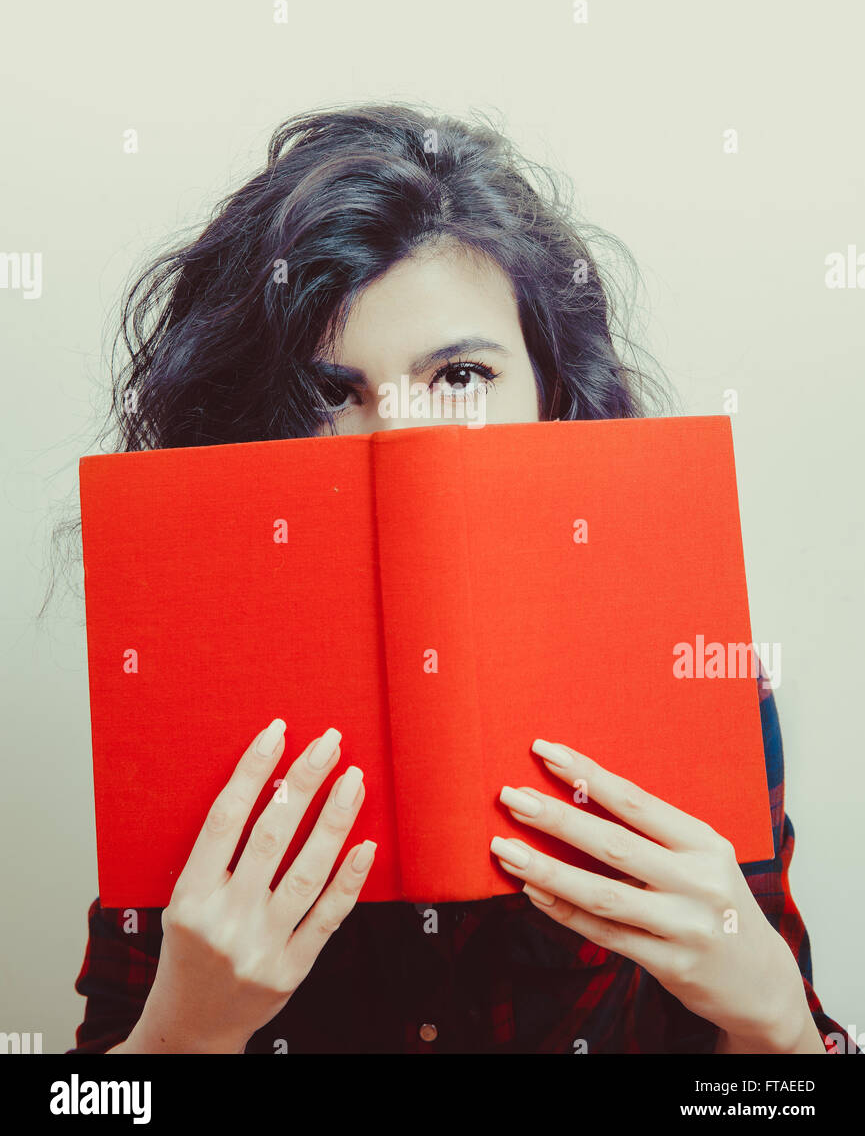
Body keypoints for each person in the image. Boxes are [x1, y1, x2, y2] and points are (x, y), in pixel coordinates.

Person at [61, 103, 856, 1054]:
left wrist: (771, 1013)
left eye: (461, 377)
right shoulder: (189, 694)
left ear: (550, 398)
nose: (403, 437)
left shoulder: (694, 680)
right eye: (330, 392)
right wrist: (186, 1032)